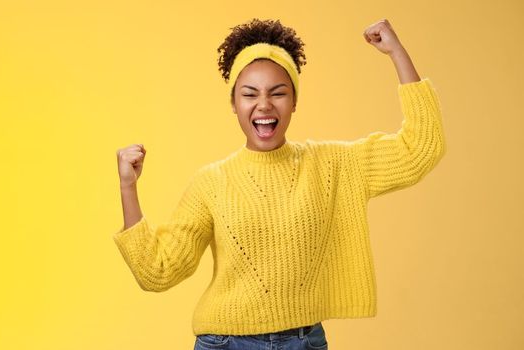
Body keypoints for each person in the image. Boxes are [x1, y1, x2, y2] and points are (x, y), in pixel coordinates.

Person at [112, 18, 446, 350]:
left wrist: (397, 53)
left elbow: (420, 149)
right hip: (224, 343)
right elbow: (157, 272)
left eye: (278, 93)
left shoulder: (332, 166)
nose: (264, 105)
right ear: (234, 104)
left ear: (294, 102)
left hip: (304, 341)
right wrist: (129, 187)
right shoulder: (211, 183)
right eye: (249, 94)